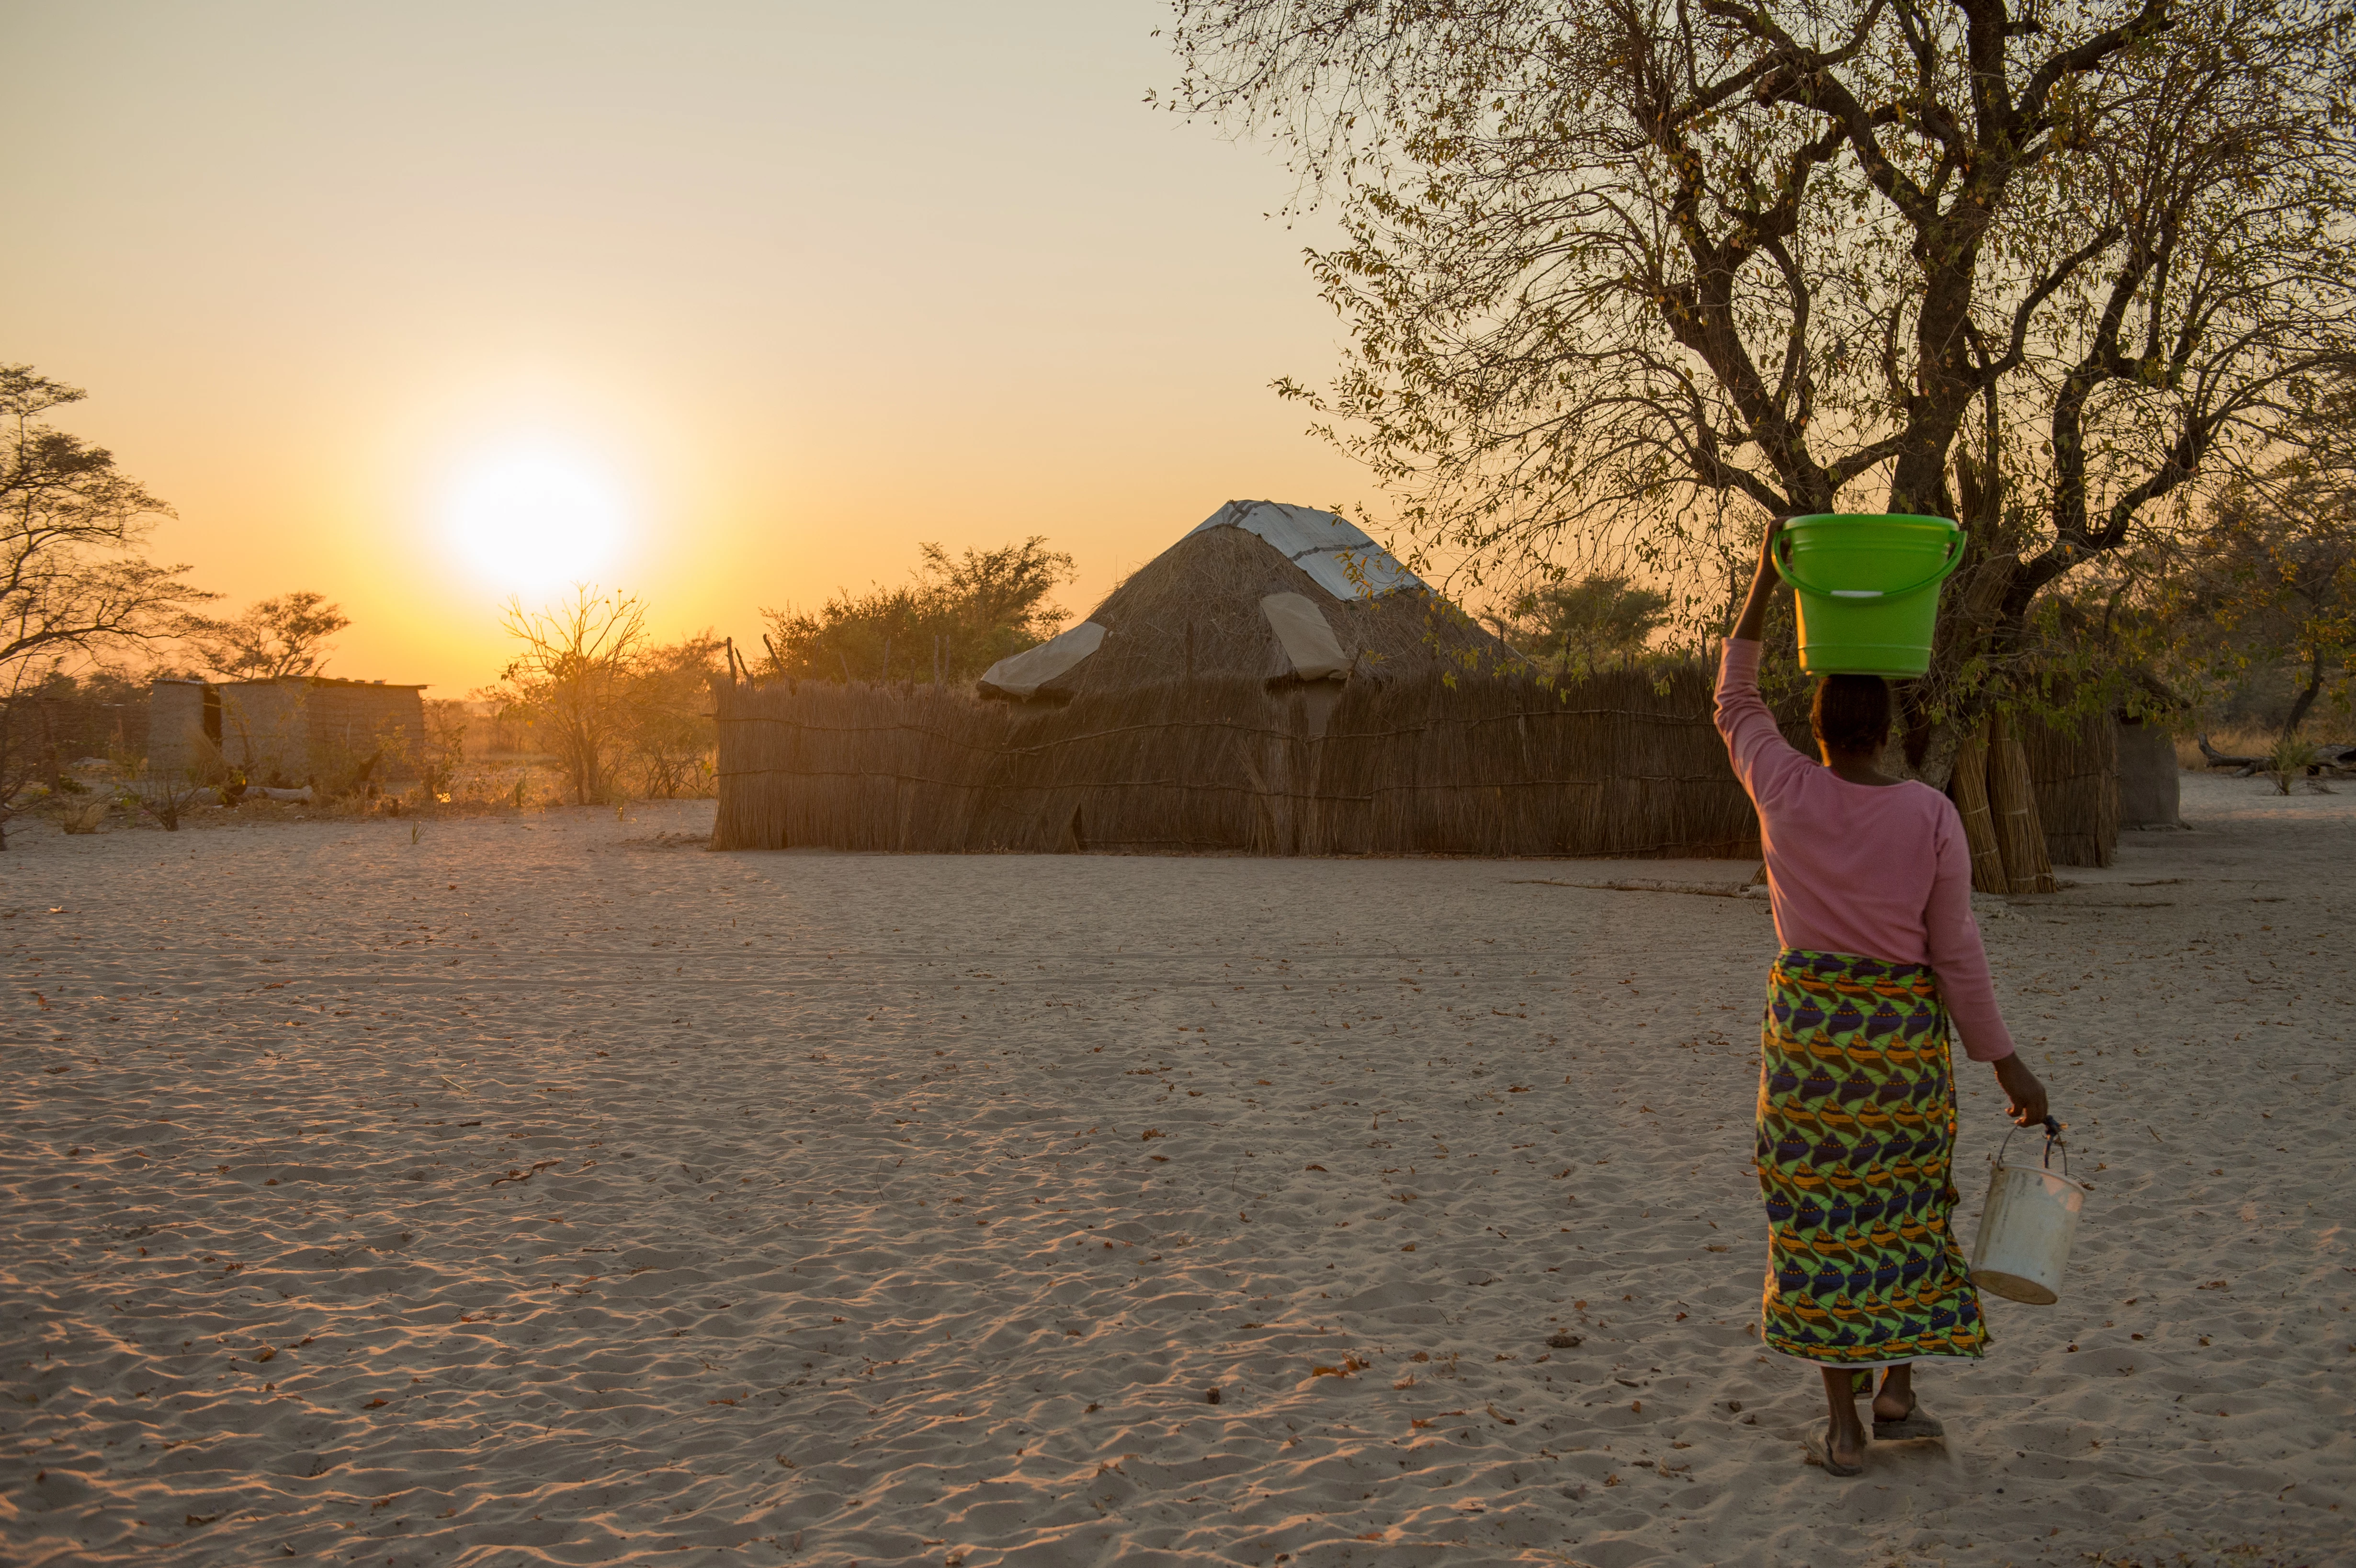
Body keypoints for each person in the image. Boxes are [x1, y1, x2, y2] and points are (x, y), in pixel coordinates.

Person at [1717, 518, 2049, 1477]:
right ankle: (1901, 1385)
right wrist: (2007, 1064)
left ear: (1817, 727)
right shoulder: (1931, 813)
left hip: (1814, 1043)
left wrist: (1766, 574)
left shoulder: (1781, 785)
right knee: (1904, 1210)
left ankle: (1847, 1423)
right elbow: (1957, 952)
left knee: (1820, 1215)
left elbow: (1733, 694)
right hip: (1901, 1043)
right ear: (1892, 726)